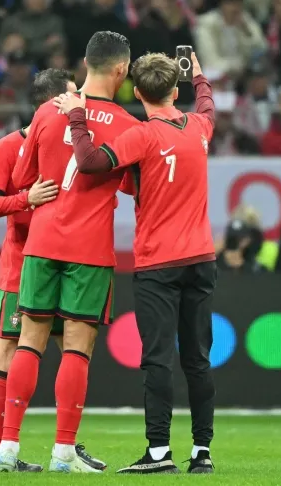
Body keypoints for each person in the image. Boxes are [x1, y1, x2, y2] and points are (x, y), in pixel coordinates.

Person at [54, 51, 216, 475]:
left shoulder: (143, 136)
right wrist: (200, 77)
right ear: (175, 90)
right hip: (201, 259)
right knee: (197, 359)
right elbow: (208, 106)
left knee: (158, 359)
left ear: (138, 93)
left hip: (159, 263)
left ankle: (159, 454)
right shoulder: (200, 128)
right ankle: (202, 453)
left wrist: (76, 116)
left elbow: (89, 164)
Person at [0, 31, 139, 474]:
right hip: (89, 248)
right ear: (121, 71)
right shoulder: (128, 125)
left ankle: (7, 450)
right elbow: (135, 187)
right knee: (77, 346)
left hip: (41, 243)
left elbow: (24, 177)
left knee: (28, 343)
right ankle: (62, 452)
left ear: (85, 64)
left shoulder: (46, 113)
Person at [0, 69, 106, 472]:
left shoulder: (72, 140)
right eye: (73, 96)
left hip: (63, 259)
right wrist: (24, 198)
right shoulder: (5, 147)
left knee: (71, 350)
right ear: (54, 101)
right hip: (24, 265)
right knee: (9, 351)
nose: (79, 103)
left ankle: (66, 444)